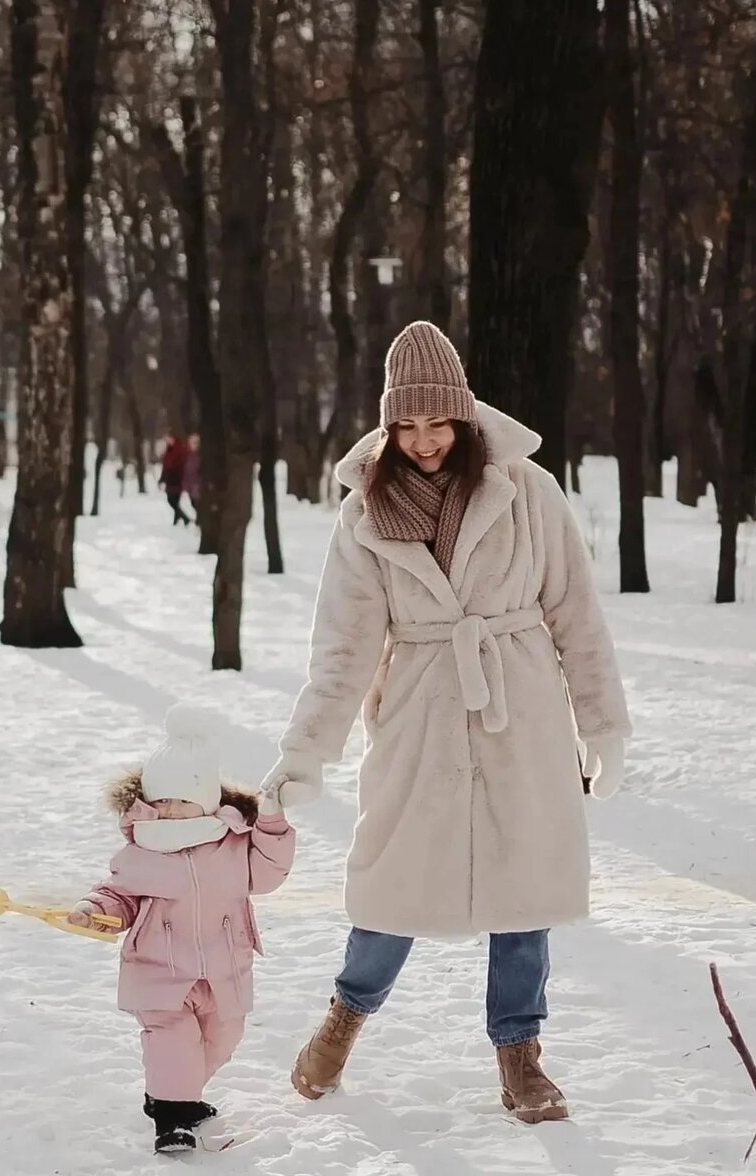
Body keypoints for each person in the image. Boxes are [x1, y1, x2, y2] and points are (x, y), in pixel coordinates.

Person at [260, 320, 631, 1124]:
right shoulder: (365, 511)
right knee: (392, 881)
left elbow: (577, 614)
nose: (425, 441)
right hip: (421, 708)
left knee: (523, 889)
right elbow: (343, 647)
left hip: (520, 703)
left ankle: (520, 1056)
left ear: (463, 416)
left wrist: (603, 726)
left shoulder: (528, 489)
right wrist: (305, 752)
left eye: (438, 423)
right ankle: (345, 1017)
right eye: (408, 425)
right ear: (388, 426)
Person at [69, 707, 295, 1153]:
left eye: (182, 797)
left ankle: (175, 1094)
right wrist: (96, 910)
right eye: (161, 799)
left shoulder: (234, 843)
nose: (169, 809)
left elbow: (268, 875)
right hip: (160, 968)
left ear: (209, 799)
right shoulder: (143, 849)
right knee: (173, 1038)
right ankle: (171, 1118)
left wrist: (271, 826)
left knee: (222, 1037)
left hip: (223, 965)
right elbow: (119, 895)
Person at [159, 432, 191, 526]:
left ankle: (185, 518)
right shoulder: (168, 451)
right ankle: (178, 519)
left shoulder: (179, 449)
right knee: (172, 500)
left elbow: (181, 465)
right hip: (170, 479)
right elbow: (165, 467)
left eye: (168, 439)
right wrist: (162, 479)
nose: (167, 441)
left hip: (177, 479)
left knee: (173, 500)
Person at [182, 433, 202, 523]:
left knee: (198, 503)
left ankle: (201, 520)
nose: (194, 445)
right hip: (190, 483)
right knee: (193, 503)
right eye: (192, 443)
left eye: (196, 443)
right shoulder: (188, 455)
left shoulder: (201, 456)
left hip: (198, 484)